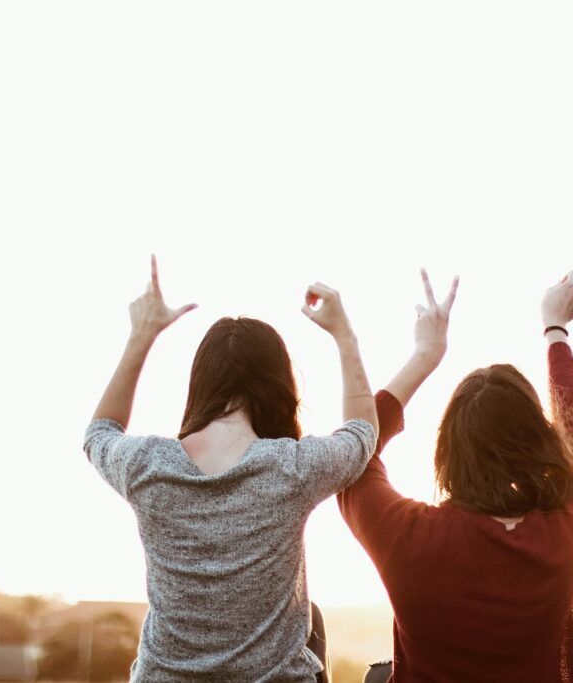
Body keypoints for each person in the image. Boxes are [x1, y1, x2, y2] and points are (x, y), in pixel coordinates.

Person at [83, 255, 379, 682]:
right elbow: (361, 432)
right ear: (280, 387)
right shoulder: (291, 468)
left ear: (201, 384)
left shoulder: (145, 466)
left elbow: (98, 433)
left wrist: (141, 336)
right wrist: (343, 334)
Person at [340, 269, 573, 683]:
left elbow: (354, 454)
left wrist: (425, 355)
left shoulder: (410, 537)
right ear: (538, 442)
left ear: (447, 450)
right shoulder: (566, 529)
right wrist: (554, 329)